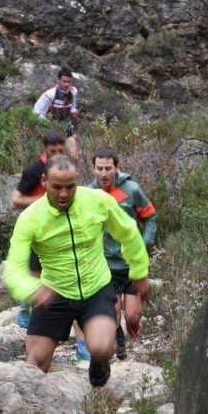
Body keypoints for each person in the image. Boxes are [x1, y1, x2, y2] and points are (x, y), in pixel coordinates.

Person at [3, 154, 150, 386]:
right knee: (35, 366)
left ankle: (100, 365)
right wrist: (32, 289)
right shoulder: (30, 218)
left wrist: (139, 271)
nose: (64, 194)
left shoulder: (97, 200)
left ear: (77, 181)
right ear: (44, 181)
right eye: (57, 187)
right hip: (54, 292)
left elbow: (128, 231)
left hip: (96, 288)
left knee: (102, 348)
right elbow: (14, 268)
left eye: (70, 187)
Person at [11, 131, 90, 360]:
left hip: (62, 234)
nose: (57, 153)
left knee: (71, 290)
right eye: (52, 150)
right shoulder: (34, 171)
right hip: (39, 235)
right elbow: (15, 200)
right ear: (44, 148)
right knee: (40, 290)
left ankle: (81, 344)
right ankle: (31, 330)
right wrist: (45, 201)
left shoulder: (66, 169)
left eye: (60, 149)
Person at [90, 147, 157, 360]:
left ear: (116, 168)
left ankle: (133, 328)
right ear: (93, 169)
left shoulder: (132, 189)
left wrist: (144, 243)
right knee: (113, 312)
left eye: (108, 168)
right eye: (99, 168)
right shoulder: (88, 194)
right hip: (104, 264)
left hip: (130, 264)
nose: (103, 173)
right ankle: (120, 347)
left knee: (133, 316)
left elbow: (151, 217)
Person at [33, 67, 80, 159]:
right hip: (49, 123)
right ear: (59, 81)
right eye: (64, 81)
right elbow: (36, 111)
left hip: (65, 122)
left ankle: (72, 164)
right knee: (53, 149)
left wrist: (74, 125)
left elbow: (73, 108)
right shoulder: (50, 94)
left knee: (73, 144)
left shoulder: (73, 92)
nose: (67, 84)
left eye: (69, 82)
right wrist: (48, 123)